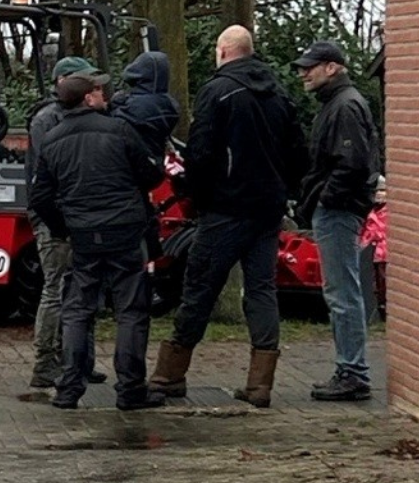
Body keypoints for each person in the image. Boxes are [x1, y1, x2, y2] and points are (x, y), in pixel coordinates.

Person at [151, 25, 308, 407]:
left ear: (222, 52)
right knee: (261, 291)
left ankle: (170, 374)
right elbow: (299, 152)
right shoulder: (279, 94)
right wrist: (283, 192)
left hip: (224, 209)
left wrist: (199, 197)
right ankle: (260, 384)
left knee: (200, 285)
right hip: (267, 209)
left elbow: (201, 153)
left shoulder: (217, 92)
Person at [30, 73, 167, 411]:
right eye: (98, 89)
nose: (104, 93)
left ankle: (69, 388)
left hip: (83, 236)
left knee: (77, 310)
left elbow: (40, 196)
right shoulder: (119, 130)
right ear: (88, 98)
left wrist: (64, 227)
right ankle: (131, 388)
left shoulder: (53, 140)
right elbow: (151, 174)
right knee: (131, 310)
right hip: (125, 230)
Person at [294, 41, 380, 402]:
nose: (303, 73)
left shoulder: (344, 107)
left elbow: (352, 163)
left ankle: (353, 371)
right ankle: (350, 369)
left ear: (332, 67)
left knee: (342, 291)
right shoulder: (342, 103)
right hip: (339, 207)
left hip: (339, 210)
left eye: (310, 67)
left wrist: (326, 199)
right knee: (342, 289)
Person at [25, 56, 108, 389]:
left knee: (79, 287)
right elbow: (53, 172)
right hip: (54, 215)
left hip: (73, 212)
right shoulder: (47, 121)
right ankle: (46, 362)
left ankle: (79, 360)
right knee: (57, 288)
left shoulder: (73, 117)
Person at [113, 49, 181, 159]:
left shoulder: (133, 106)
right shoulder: (170, 104)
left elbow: (116, 123)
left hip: (133, 162)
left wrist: (115, 104)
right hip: (156, 159)